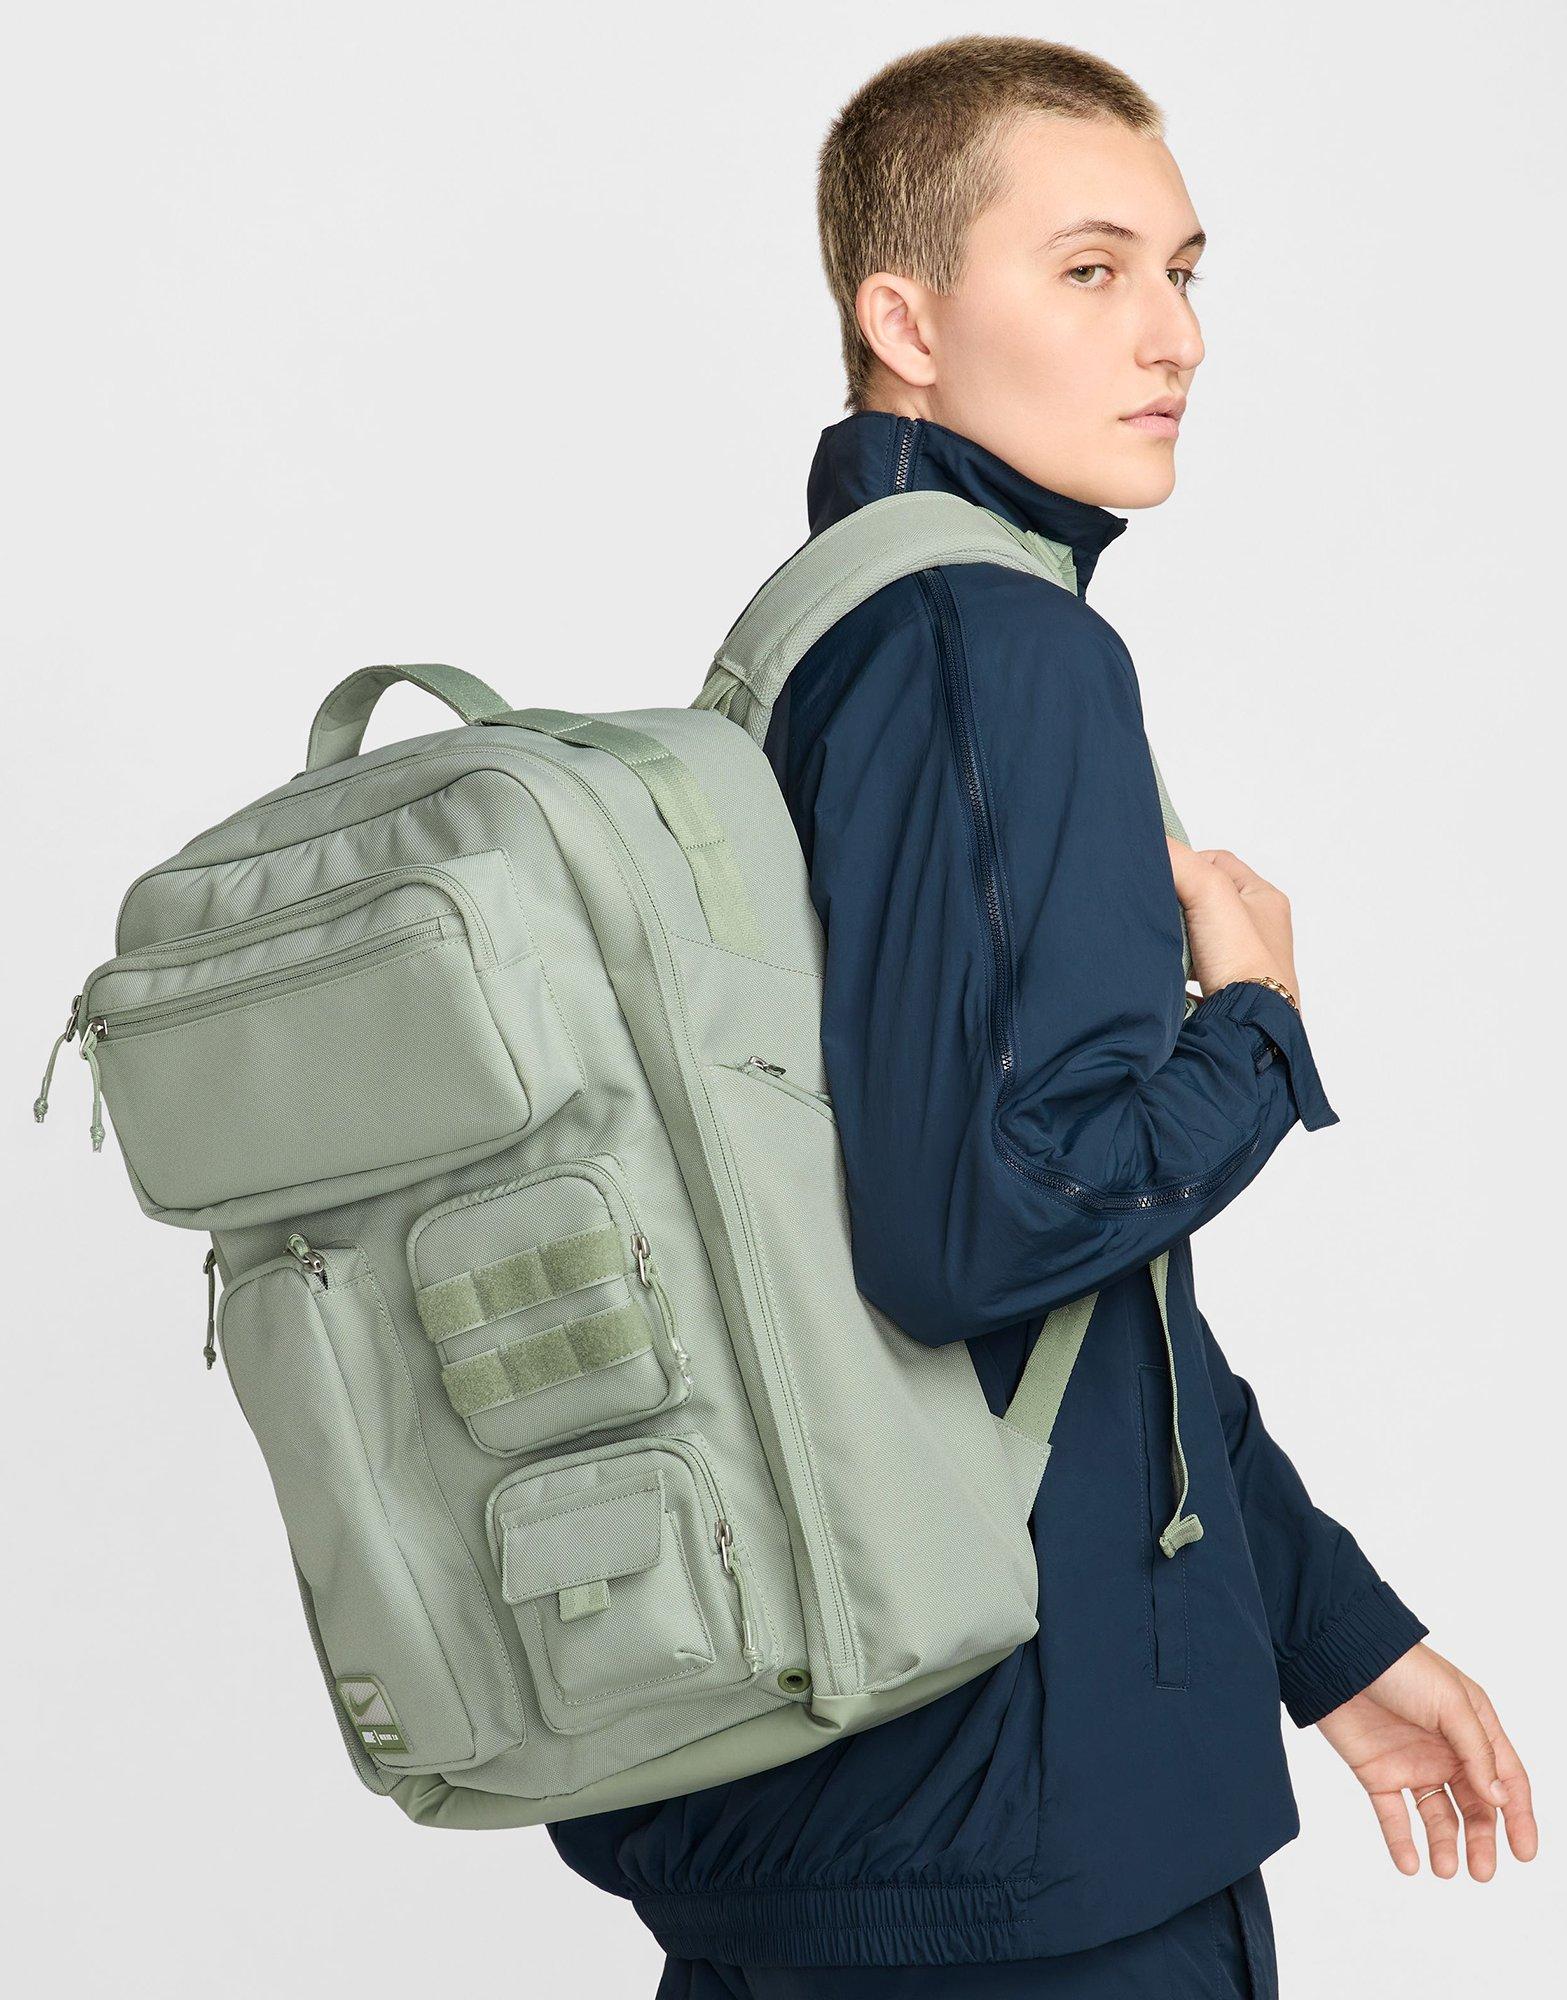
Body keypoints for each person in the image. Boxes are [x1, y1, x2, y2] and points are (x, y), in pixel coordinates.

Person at [547, 35, 1538, 1995]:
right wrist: (1256, 1024)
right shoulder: (1001, 648)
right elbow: (994, 1228)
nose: (1172, 334)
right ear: (903, 321)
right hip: (1033, 1842)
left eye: (1183, 270)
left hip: (838, 1809)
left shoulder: (817, 652)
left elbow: (1077, 1310)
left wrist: (1328, 1635)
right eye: (1090, 270)